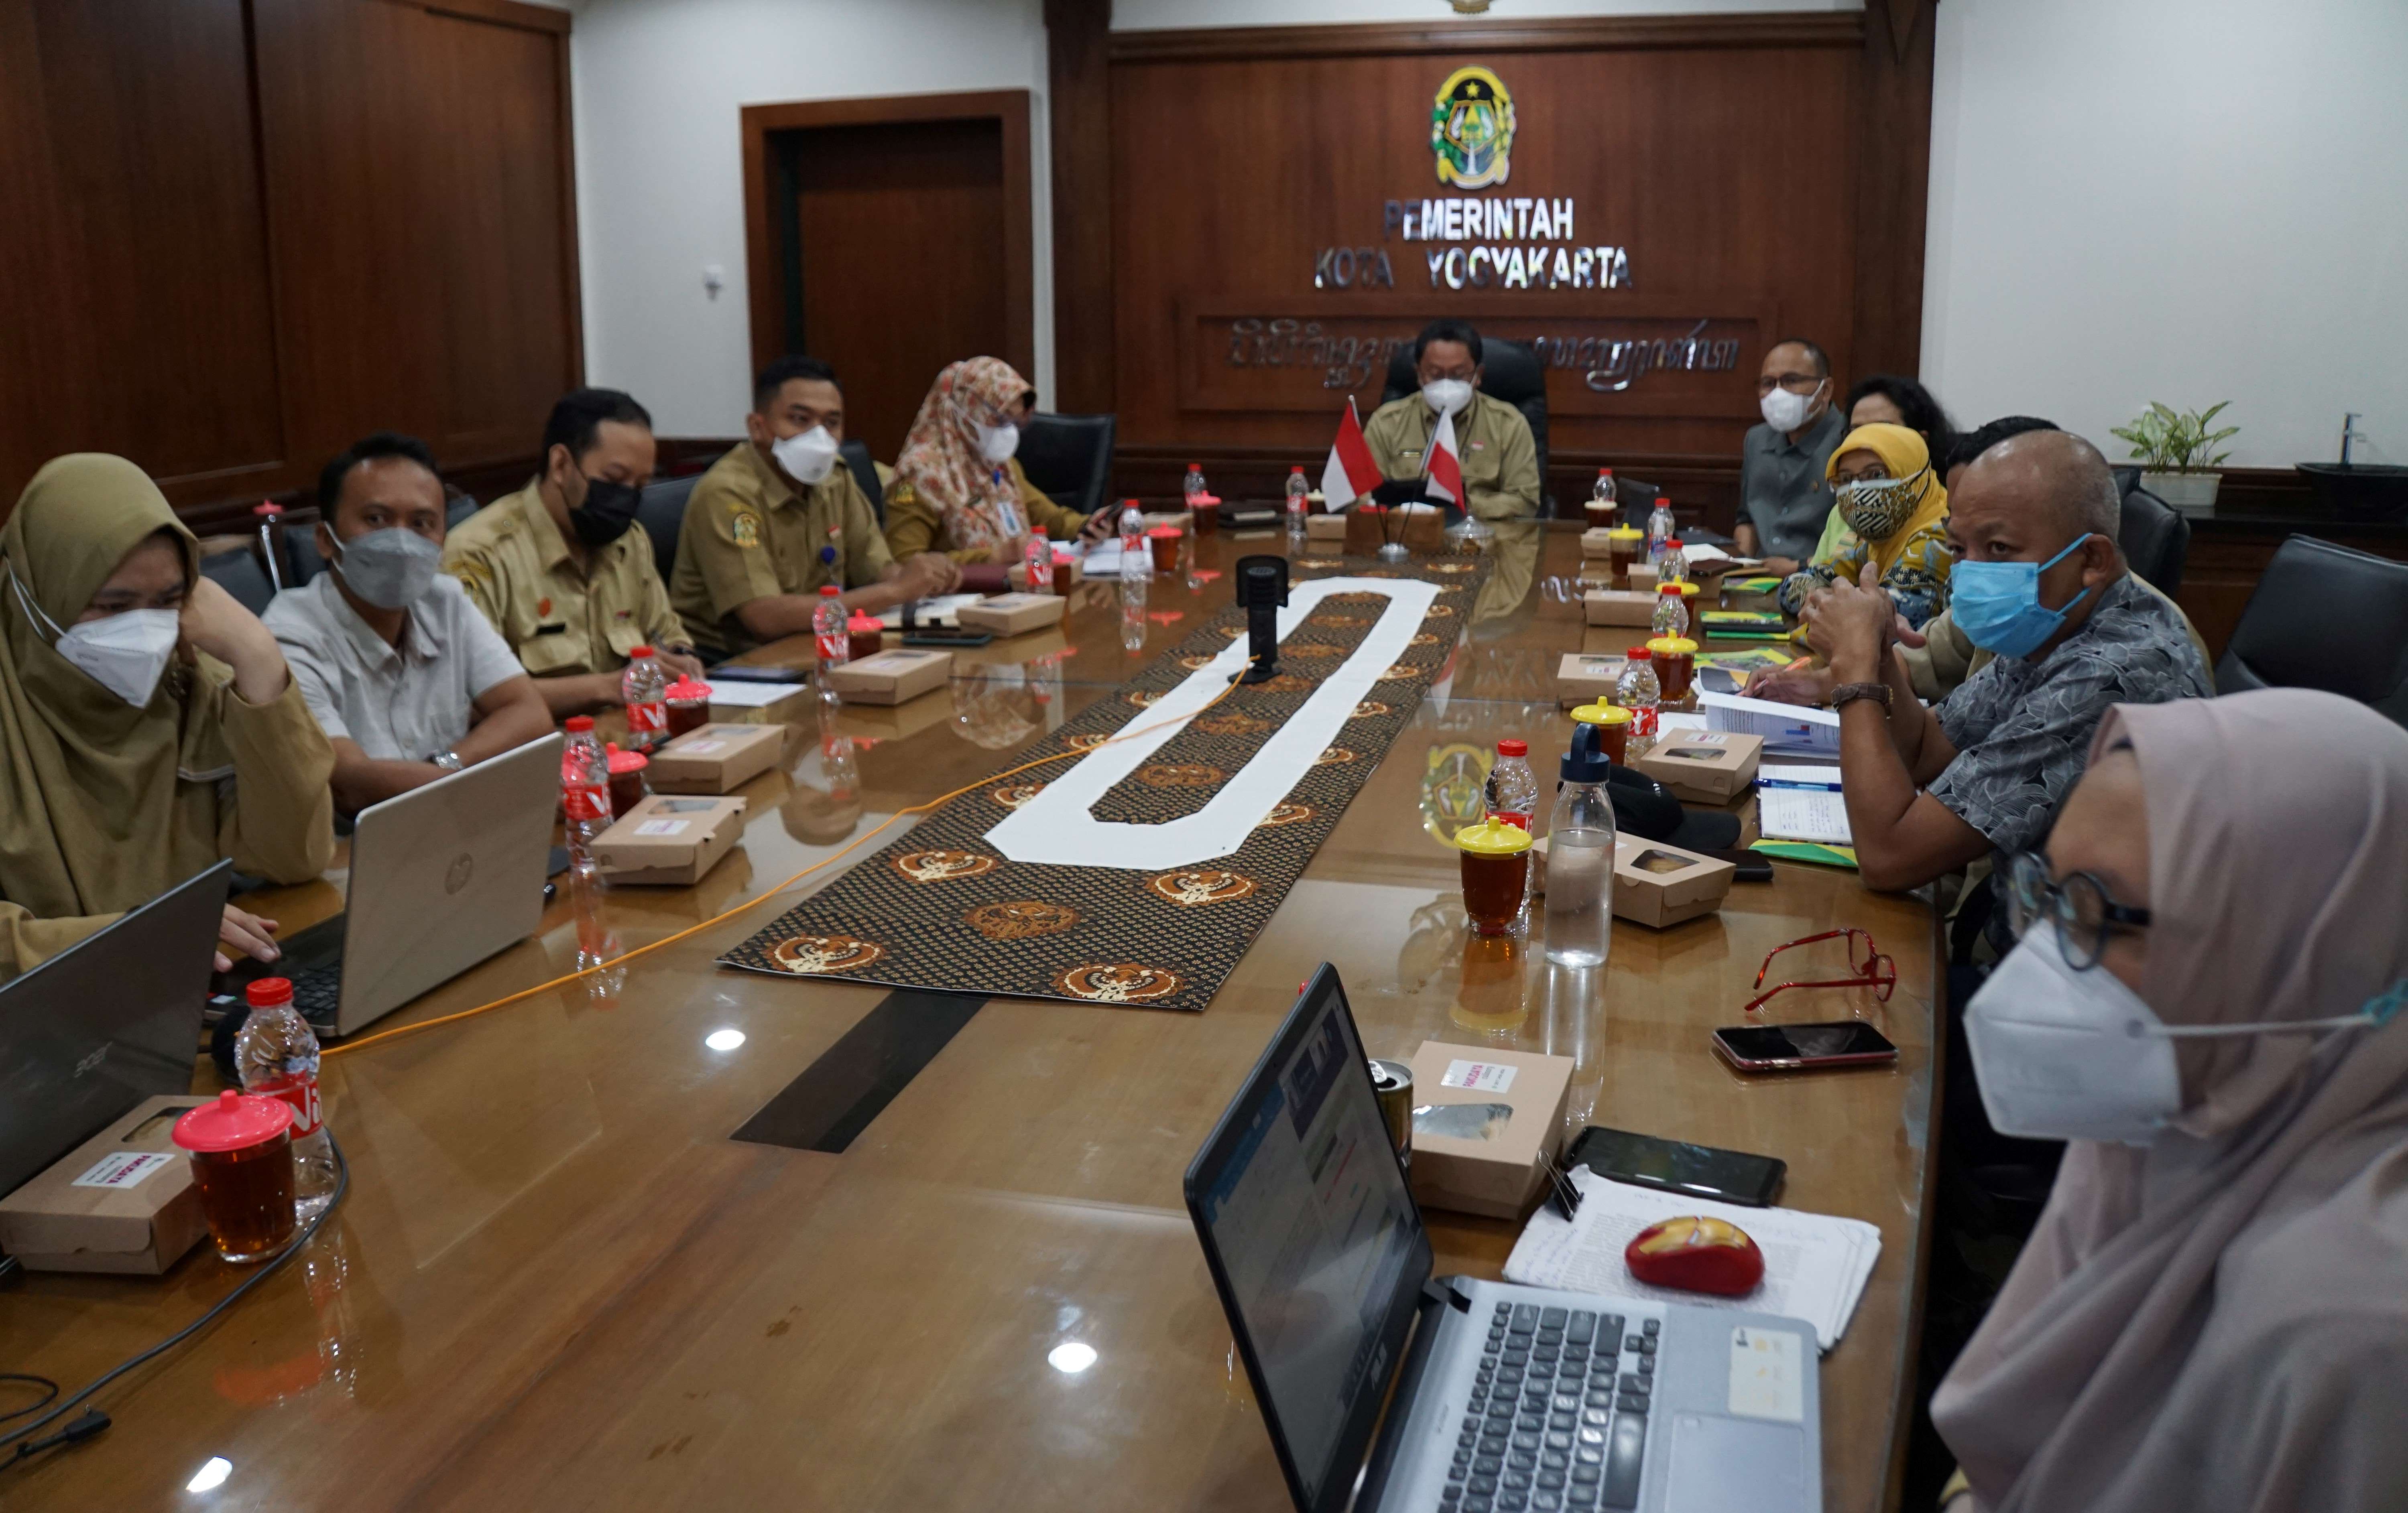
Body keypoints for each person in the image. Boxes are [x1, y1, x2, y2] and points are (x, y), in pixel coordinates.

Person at [1930, 690, 2408, 1513]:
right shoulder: (2185, 1109)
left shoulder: (2353, 1336)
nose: (2048, 961)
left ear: (2311, 952)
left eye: (2100, 916)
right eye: (2049, 896)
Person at [1810, 430, 2209, 897]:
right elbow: (1922, 751)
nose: (1972, 572)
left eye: (1999, 549)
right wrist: (1878, 653)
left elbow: (1889, 858)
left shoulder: (2114, 670)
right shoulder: (2054, 621)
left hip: (2065, 959)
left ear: (2092, 558)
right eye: (1959, 550)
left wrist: (1853, 670)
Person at [0, 454, 334, 978]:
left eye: (168, 600)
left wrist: (258, 656)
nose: (144, 631)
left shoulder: (186, 679)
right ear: (36, 594)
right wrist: (131, 936)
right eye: (113, 606)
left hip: (182, 994)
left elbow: (295, 858)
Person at [264, 433, 553, 815]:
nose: (401, 541)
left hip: (450, 822)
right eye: (376, 519)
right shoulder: (288, 634)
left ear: (442, 540)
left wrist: (444, 767)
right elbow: (349, 779)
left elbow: (529, 712)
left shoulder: (446, 600)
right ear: (326, 539)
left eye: (421, 523)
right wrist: (473, 786)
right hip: (347, 850)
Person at [670, 355, 959, 658]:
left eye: (831, 423)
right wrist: (896, 592)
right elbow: (763, 617)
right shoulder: (728, 494)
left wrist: (926, 579)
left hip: (818, 641)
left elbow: (878, 570)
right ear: (758, 427)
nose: (819, 436)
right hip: (736, 662)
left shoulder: (835, 477)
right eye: (800, 419)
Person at [443, 388, 703, 717]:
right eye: (614, 479)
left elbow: (665, 631)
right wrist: (608, 687)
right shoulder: (480, 553)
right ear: (562, 464)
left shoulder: (630, 541)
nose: (627, 499)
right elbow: (472, 696)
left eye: (639, 487)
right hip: (538, 748)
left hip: (631, 733)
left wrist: (680, 656)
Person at [883, 357, 1118, 570]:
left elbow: (1049, 518)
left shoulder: (999, 465)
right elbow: (904, 563)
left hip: (1016, 591)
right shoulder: (918, 474)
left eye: (1015, 422)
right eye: (1001, 420)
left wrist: (1088, 526)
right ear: (966, 411)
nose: (1009, 432)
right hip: (957, 603)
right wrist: (991, 557)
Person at [1774, 422, 1954, 630]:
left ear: (1915, 474)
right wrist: (1825, 599)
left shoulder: (1937, 538)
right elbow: (1793, 587)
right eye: (1846, 479)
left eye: (1877, 475)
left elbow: (1881, 626)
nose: (1858, 491)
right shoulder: (1877, 544)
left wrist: (1823, 600)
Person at [1361, 320, 1541, 522]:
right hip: (1406, 537)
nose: (1446, 383)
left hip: (1485, 541)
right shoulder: (1387, 423)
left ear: (1478, 375)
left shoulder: (1508, 424)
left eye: (1457, 375)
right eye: (1435, 375)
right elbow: (1363, 495)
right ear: (1419, 374)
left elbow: (1526, 501)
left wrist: (1458, 507)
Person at [1805, 375, 1957, 568]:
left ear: (1920, 443)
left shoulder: (1946, 519)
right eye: (1856, 431)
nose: (1866, 440)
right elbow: (1812, 583)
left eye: (1883, 429)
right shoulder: (1842, 512)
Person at [1733, 337, 1845, 573]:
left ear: (1825, 390)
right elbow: (1747, 519)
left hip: (1823, 581)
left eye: (1791, 381)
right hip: (1758, 578)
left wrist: (1797, 567)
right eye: (1768, 383)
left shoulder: (1850, 439)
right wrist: (1742, 562)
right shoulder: (1756, 440)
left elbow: (1861, 540)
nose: (1777, 393)